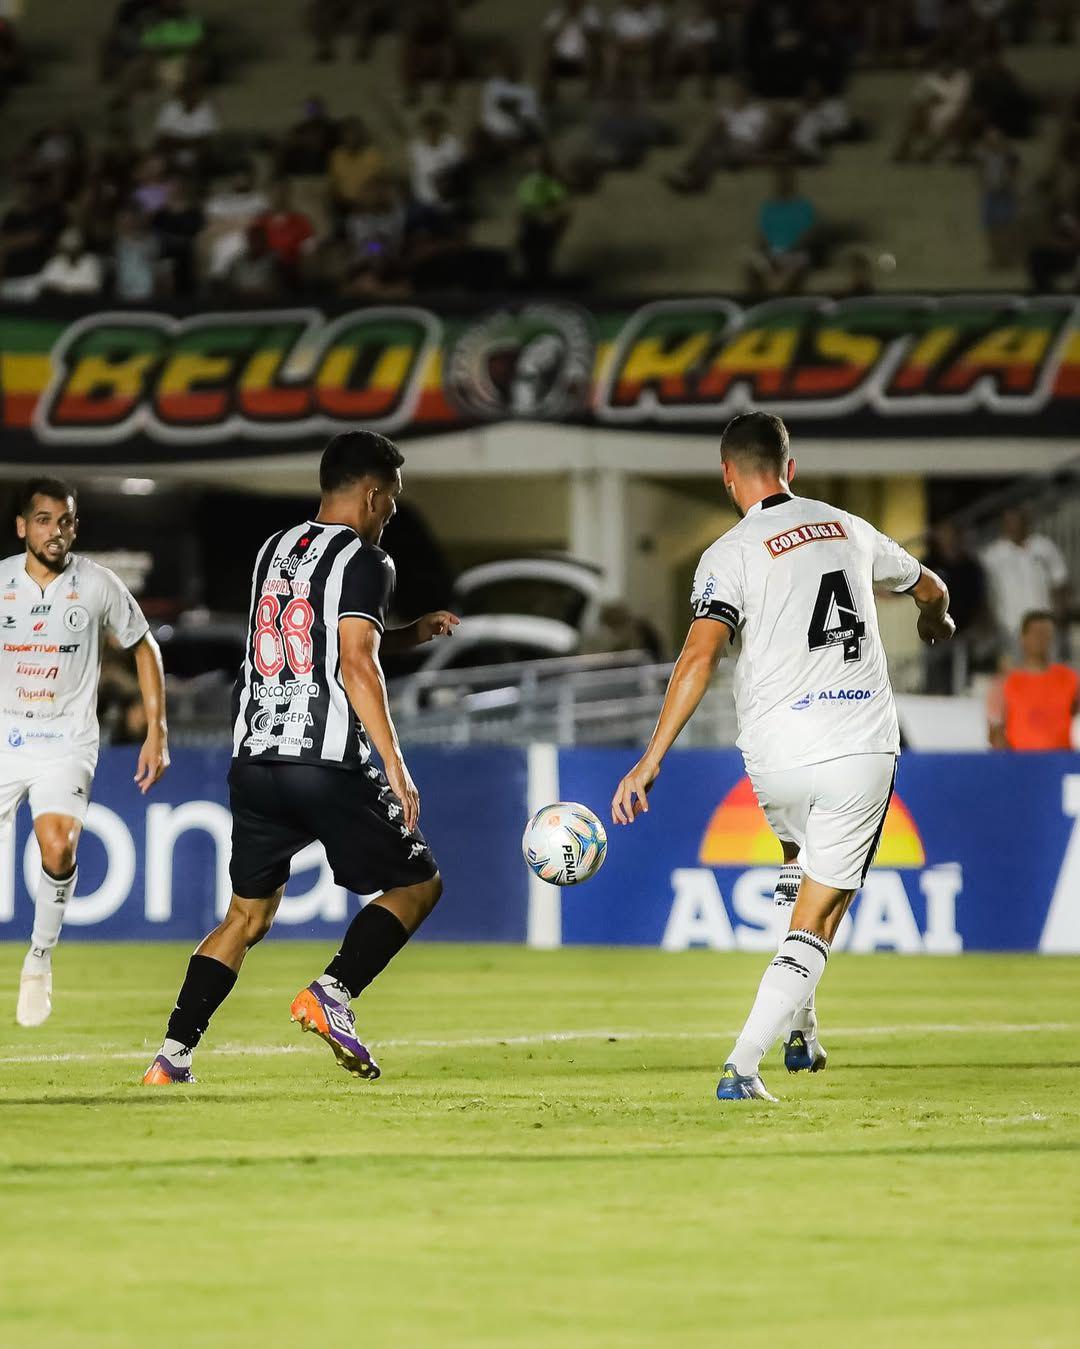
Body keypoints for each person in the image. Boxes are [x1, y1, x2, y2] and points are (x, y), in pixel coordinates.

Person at [610, 412, 953, 1102]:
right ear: (789, 468)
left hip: (774, 756)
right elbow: (931, 587)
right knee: (820, 917)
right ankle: (742, 1064)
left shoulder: (728, 553)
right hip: (857, 746)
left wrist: (650, 758)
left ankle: (802, 1029)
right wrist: (933, 621)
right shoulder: (848, 526)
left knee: (799, 861)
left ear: (727, 473)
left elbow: (699, 654)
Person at [143, 432, 458, 1086]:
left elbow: (310, 637)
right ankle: (333, 992)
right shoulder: (369, 560)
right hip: (322, 758)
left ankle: (171, 1056)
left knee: (245, 916)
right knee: (418, 883)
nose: (390, 514)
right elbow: (353, 662)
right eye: (391, 501)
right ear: (372, 494)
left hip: (256, 758)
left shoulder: (274, 549)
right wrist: (394, 764)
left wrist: (410, 633)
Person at [2, 478, 168, 1028]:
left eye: (66, 520)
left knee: (58, 846)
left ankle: (39, 960)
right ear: (23, 526)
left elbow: (145, 645)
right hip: (4, 736)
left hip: (66, 742)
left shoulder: (96, 584)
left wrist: (157, 730)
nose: (56, 531)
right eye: (45, 520)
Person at [980, 505, 1070, 651]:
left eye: (1018, 521)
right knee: (1017, 670)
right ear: (1004, 524)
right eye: (1010, 521)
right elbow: (985, 593)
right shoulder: (992, 555)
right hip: (1012, 628)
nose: (1015, 525)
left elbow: (1059, 581)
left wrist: (1059, 615)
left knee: (1048, 671)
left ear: (1026, 522)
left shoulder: (1044, 547)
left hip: (1045, 626)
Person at [987, 611, 1078, 751]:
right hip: (1021, 763)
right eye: (1037, 633)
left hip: (1061, 763)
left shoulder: (1069, 679)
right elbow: (995, 731)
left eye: (1047, 634)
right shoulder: (1005, 683)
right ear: (1023, 637)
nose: (1042, 639)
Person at [744, 164, 817, 296]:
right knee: (753, 262)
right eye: (781, 179)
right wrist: (771, 254)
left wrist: (787, 251)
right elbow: (763, 236)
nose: (784, 182)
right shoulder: (769, 208)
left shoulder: (803, 207)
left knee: (799, 262)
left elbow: (807, 236)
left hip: (794, 254)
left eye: (787, 179)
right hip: (771, 255)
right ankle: (774, 288)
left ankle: (776, 289)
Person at [38, 228, 105, 297]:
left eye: (75, 246)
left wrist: (67, 291)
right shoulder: (55, 261)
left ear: (82, 246)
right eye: (67, 246)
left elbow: (94, 289)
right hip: (57, 301)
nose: (71, 249)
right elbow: (44, 285)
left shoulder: (92, 261)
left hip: (84, 302)